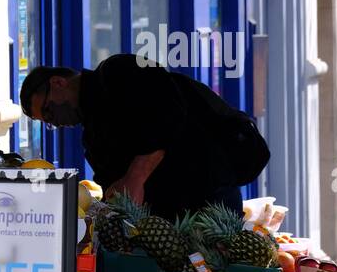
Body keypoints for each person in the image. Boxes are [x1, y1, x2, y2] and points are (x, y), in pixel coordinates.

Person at [19, 55, 270, 219]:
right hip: (171, 225)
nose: (55, 121)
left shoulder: (119, 71)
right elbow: (117, 188)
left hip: (210, 195)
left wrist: (136, 176)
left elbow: (168, 113)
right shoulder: (92, 138)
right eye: (48, 122)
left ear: (58, 82)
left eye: (49, 110)